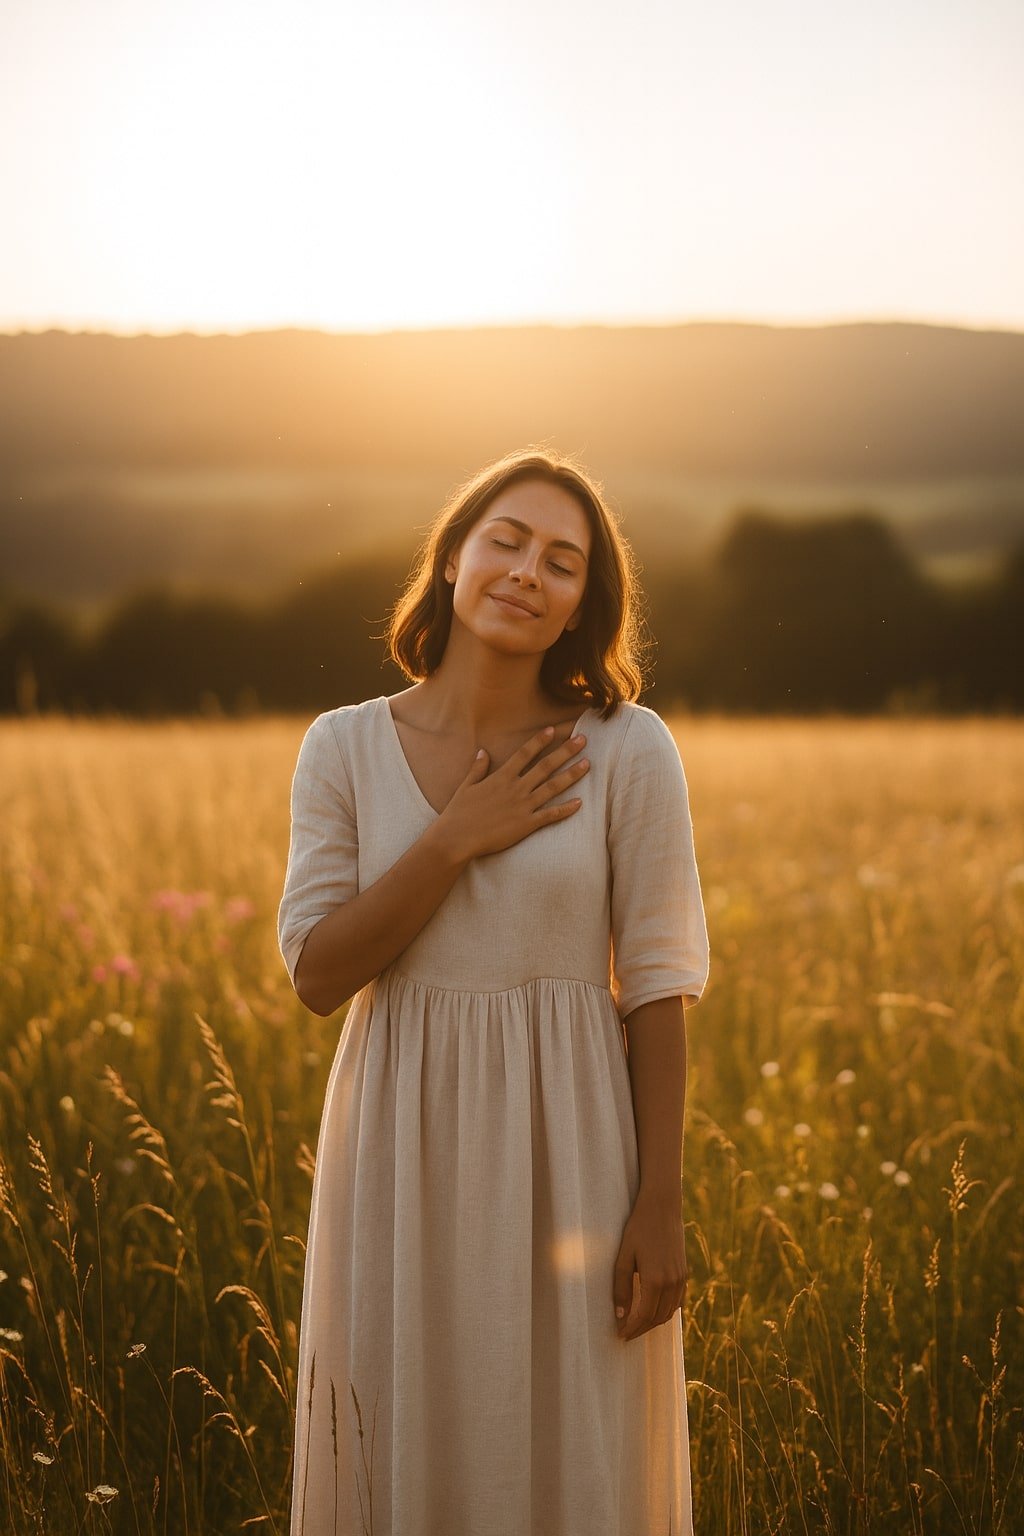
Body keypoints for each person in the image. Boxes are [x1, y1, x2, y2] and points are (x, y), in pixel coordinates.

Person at [277, 447, 710, 1536]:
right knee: (396, 1432)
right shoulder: (341, 746)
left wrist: (658, 1202)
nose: (527, 571)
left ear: (580, 607)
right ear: (454, 560)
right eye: (506, 541)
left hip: (575, 1144)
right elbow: (320, 973)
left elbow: (658, 983)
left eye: (563, 562)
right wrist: (454, 838)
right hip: (397, 1144)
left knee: (573, 1445)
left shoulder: (626, 749)